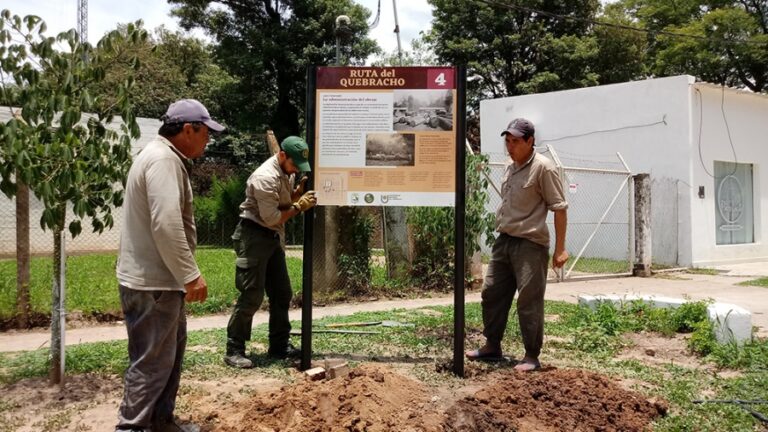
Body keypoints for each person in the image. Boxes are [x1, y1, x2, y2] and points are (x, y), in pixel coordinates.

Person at [115, 99, 224, 432]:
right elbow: (166, 224)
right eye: (206, 133)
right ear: (188, 129)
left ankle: (161, 422)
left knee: (167, 357)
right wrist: (190, 274)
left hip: (157, 282)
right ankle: (132, 427)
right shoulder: (163, 160)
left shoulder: (160, 155)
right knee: (151, 363)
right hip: (155, 284)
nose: (208, 140)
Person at [466, 118, 568, 372]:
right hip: (504, 240)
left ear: (530, 141)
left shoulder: (544, 168)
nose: (510, 147)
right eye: (507, 141)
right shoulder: (509, 166)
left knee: (529, 300)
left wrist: (560, 248)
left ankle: (531, 356)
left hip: (530, 244)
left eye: (516, 141)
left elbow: (559, 208)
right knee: (492, 293)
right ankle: (492, 345)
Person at [224, 136, 317, 369]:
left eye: (299, 166)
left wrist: (294, 196)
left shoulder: (288, 171)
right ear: (282, 156)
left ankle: (279, 345)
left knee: (282, 293)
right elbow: (272, 217)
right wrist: (299, 206)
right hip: (253, 235)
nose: (296, 169)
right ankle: (234, 349)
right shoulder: (264, 177)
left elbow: (280, 206)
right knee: (252, 295)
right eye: (294, 164)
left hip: (272, 236)